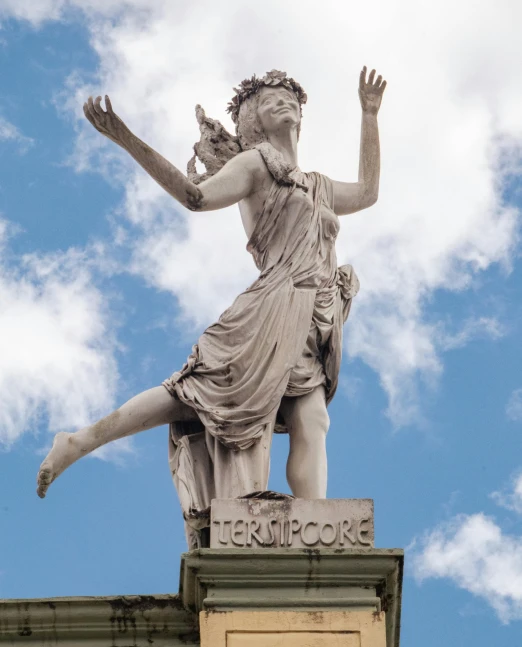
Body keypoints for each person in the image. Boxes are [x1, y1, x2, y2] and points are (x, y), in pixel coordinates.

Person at [37, 66, 385, 545]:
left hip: (314, 314)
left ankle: (317, 522)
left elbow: (367, 192)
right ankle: (79, 441)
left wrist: (369, 116)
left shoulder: (318, 183)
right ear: (251, 122)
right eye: (270, 100)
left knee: (313, 416)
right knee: (198, 391)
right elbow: (195, 197)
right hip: (271, 304)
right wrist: (127, 139)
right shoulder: (254, 166)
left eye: (290, 99)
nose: (284, 103)